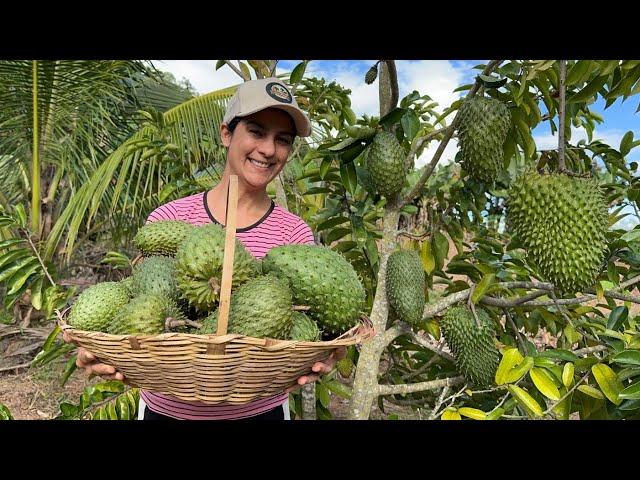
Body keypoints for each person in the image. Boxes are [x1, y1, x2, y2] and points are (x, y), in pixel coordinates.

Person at [64, 77, 346, 420]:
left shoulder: (294, 232)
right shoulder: (171, 216)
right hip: (166, 413)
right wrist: (106, 351)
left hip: (260, 414)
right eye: (257, 132)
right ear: (227, 133)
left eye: (282, 140)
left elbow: (317, 325)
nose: (269, 150)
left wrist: (328, 352)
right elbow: (136, 299)